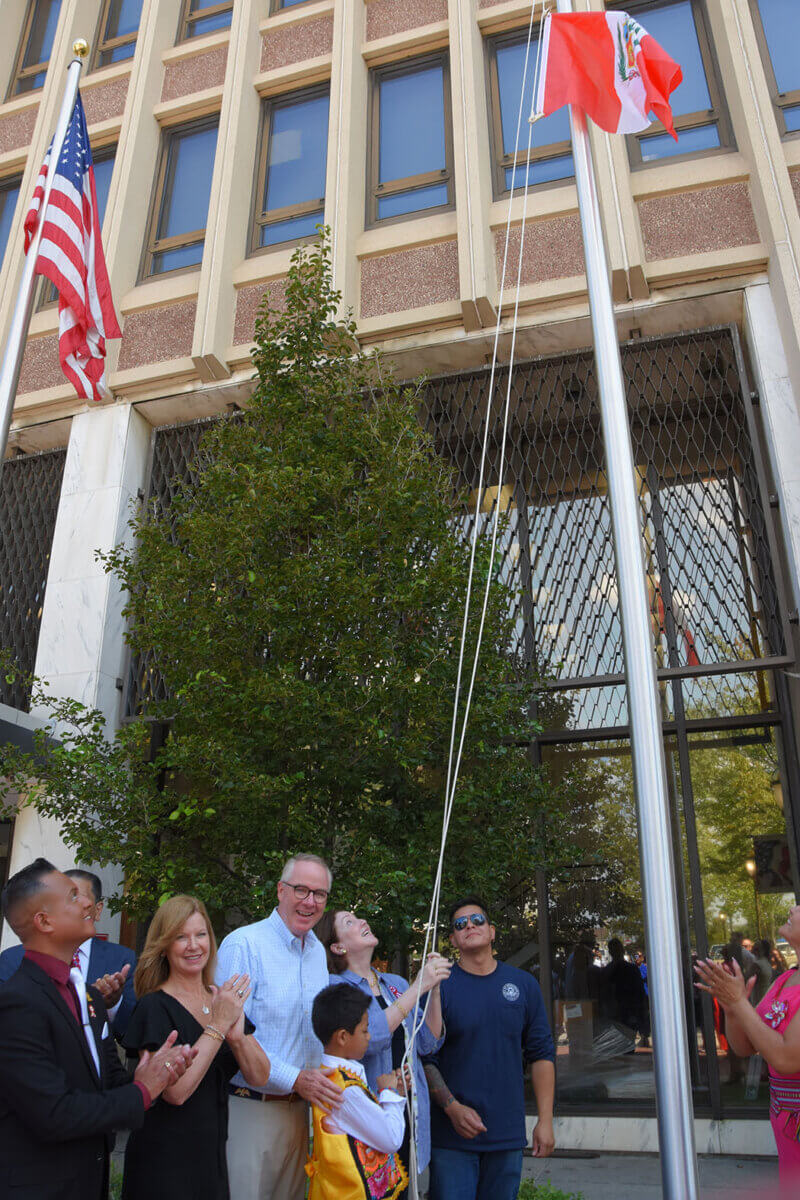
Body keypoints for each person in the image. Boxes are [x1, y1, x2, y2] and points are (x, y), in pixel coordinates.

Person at [0, 858, 195, 1200]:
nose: (89, 903)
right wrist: (143, 1091)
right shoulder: (17, 1002)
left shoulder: (88, 996)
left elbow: (108, 1083)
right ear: (44, 921)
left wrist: (152, 1073)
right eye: (74, 897)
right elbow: (54, 1114)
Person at [122, 894, 270, 1200]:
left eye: (200, 935)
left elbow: (259, 1076)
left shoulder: (220, 999)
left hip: (211, 1160)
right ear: (164, 946)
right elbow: (175, 1093)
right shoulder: (154, 1007)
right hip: (164, 1165)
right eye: (181, 937)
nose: (194, 945)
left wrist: (238, 1037)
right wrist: (218, 1027)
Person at [216, 852, 337, 1200]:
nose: (310, 902)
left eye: (320, 894)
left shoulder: (316, 953)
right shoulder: (245, 945)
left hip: (302, 1113)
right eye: (301, 890)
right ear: (281, 891)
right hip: (250, 1109)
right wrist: (295, 1078)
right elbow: (230, 1034)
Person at [423, 896, 555, 1200]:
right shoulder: (438, 986)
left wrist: (545, 1121)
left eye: (477, 920)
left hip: (506, 1134)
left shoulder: (523, 985)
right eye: (460, 924)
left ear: (492, 931)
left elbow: (542, 1055)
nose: (470, 925)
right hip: (451, 1139)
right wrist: (451, 1107)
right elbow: (425, 1058)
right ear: (454, 939)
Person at [317, 908, 450, 1184]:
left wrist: (433, 988)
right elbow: (372, 1037)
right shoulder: (335, 987)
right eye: (349, 922)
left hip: (408, 1109)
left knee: (403, 1187)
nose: (362, 920)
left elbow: (428, 1042)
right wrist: (418, 988)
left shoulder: (395, 984)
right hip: (370, 1117)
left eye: (358, 916)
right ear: (338, 946)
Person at [695, 903, 800, 1187]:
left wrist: (741, 1003)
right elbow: (746, 1047)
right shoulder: (785, 980)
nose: (793, 907)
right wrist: (733, 1010)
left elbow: (786, 1059)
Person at [0, 867, 137, 1036]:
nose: (74, 908)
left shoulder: (121, 960)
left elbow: (131, 1033)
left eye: (80, 899)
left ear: (97, 909)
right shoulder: (13, 960)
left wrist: (112, 1005)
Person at [306, 982, 408, 1199]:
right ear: (343, 1037)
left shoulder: (332, 1075)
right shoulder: (344, 1090)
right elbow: (391, 1138)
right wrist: (389, 1093)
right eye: (364, 1030)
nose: (368, 1036)